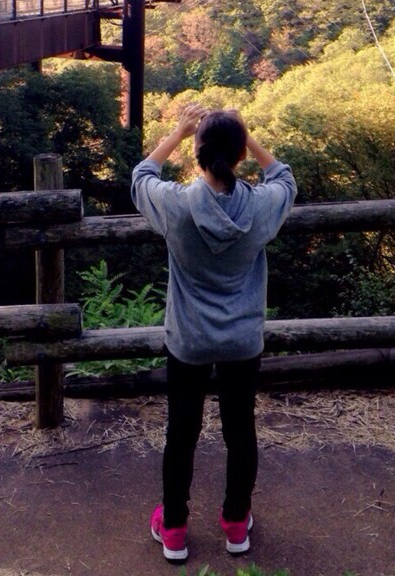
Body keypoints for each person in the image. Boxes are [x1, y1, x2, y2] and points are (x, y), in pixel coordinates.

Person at [131, 104, 297, 562]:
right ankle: (235, 522)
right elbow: (284, 178)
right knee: (240, 431)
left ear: (198, 152)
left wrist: (178, 133)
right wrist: (247, 135)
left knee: (181, 433)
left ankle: (175, 529)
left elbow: (141, 175)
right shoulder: (260, 206)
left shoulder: (176, 206)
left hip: (189, 339)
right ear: (239, 153)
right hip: (242, 340)